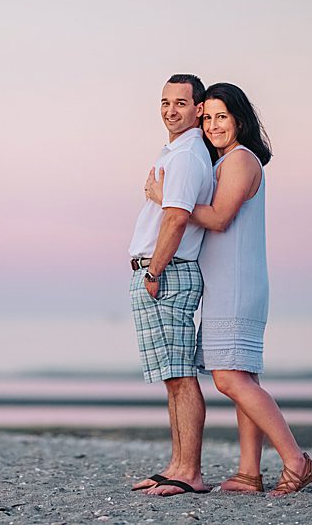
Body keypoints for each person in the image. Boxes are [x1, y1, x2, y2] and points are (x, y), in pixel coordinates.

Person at [145, 82, 312, 496]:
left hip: (237, 285)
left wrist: (166, 198)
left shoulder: (241, 160)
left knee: (228, 379)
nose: (211, 125)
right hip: (232, 283)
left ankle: (296, 461)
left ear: (240, 119)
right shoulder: (225, 163)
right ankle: (248, 473)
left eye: (220, 117)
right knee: (244, 378)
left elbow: (220, 218)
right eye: (206, 118)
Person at [128, 74, 214, 497]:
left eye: (180, 102)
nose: (170, 110)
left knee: (180, 377)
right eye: (165, 102)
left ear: (198, 108)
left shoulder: (185, 157)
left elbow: (177, 218)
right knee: (171, 377)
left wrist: (153, 272)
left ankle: (190, 472)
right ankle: (178, 465)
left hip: (167, 274)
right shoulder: (178, 152)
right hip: (163, 272)